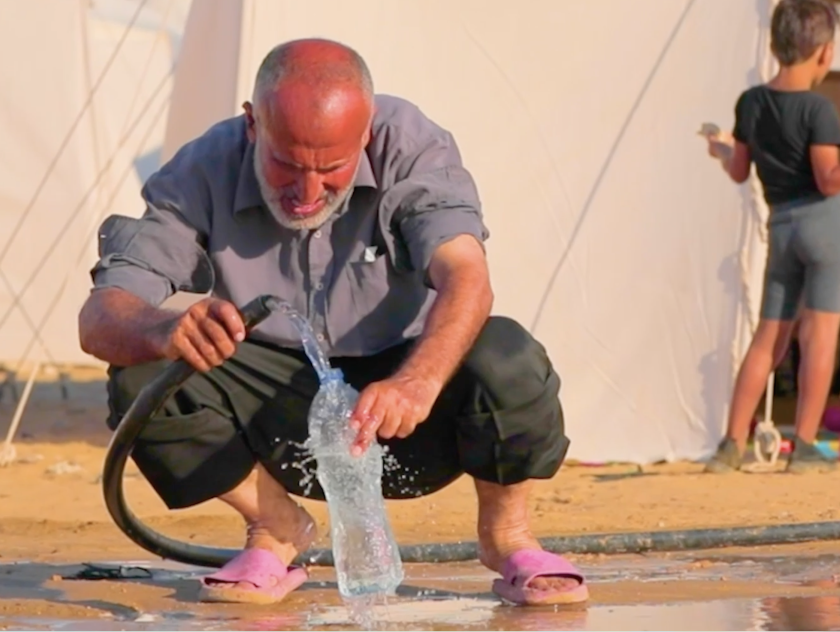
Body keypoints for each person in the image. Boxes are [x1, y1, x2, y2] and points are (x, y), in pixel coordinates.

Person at [78, 38, 588, 607]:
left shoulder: (413, 145)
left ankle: (506, 536)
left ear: (366, 133)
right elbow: (101, 315)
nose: (307, 192)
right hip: (276, 422)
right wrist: (160, 330)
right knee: (141, 376)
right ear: (252, 126)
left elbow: (468, 277)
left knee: (508, 354)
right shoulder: (200, 168)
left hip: (409, 412)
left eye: (332, 169)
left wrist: (419, 380)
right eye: (287, 164)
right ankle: (274, 528)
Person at [701, 0, 840, 473]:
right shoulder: (818, 111)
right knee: (819, 337)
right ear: (825, 52)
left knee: (768, 338)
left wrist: (720, 148)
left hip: (781, 226)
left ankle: (731, 443)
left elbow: (739, 171)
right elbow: (830, 179)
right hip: (824, 226)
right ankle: (802, 444)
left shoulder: (751, 103)